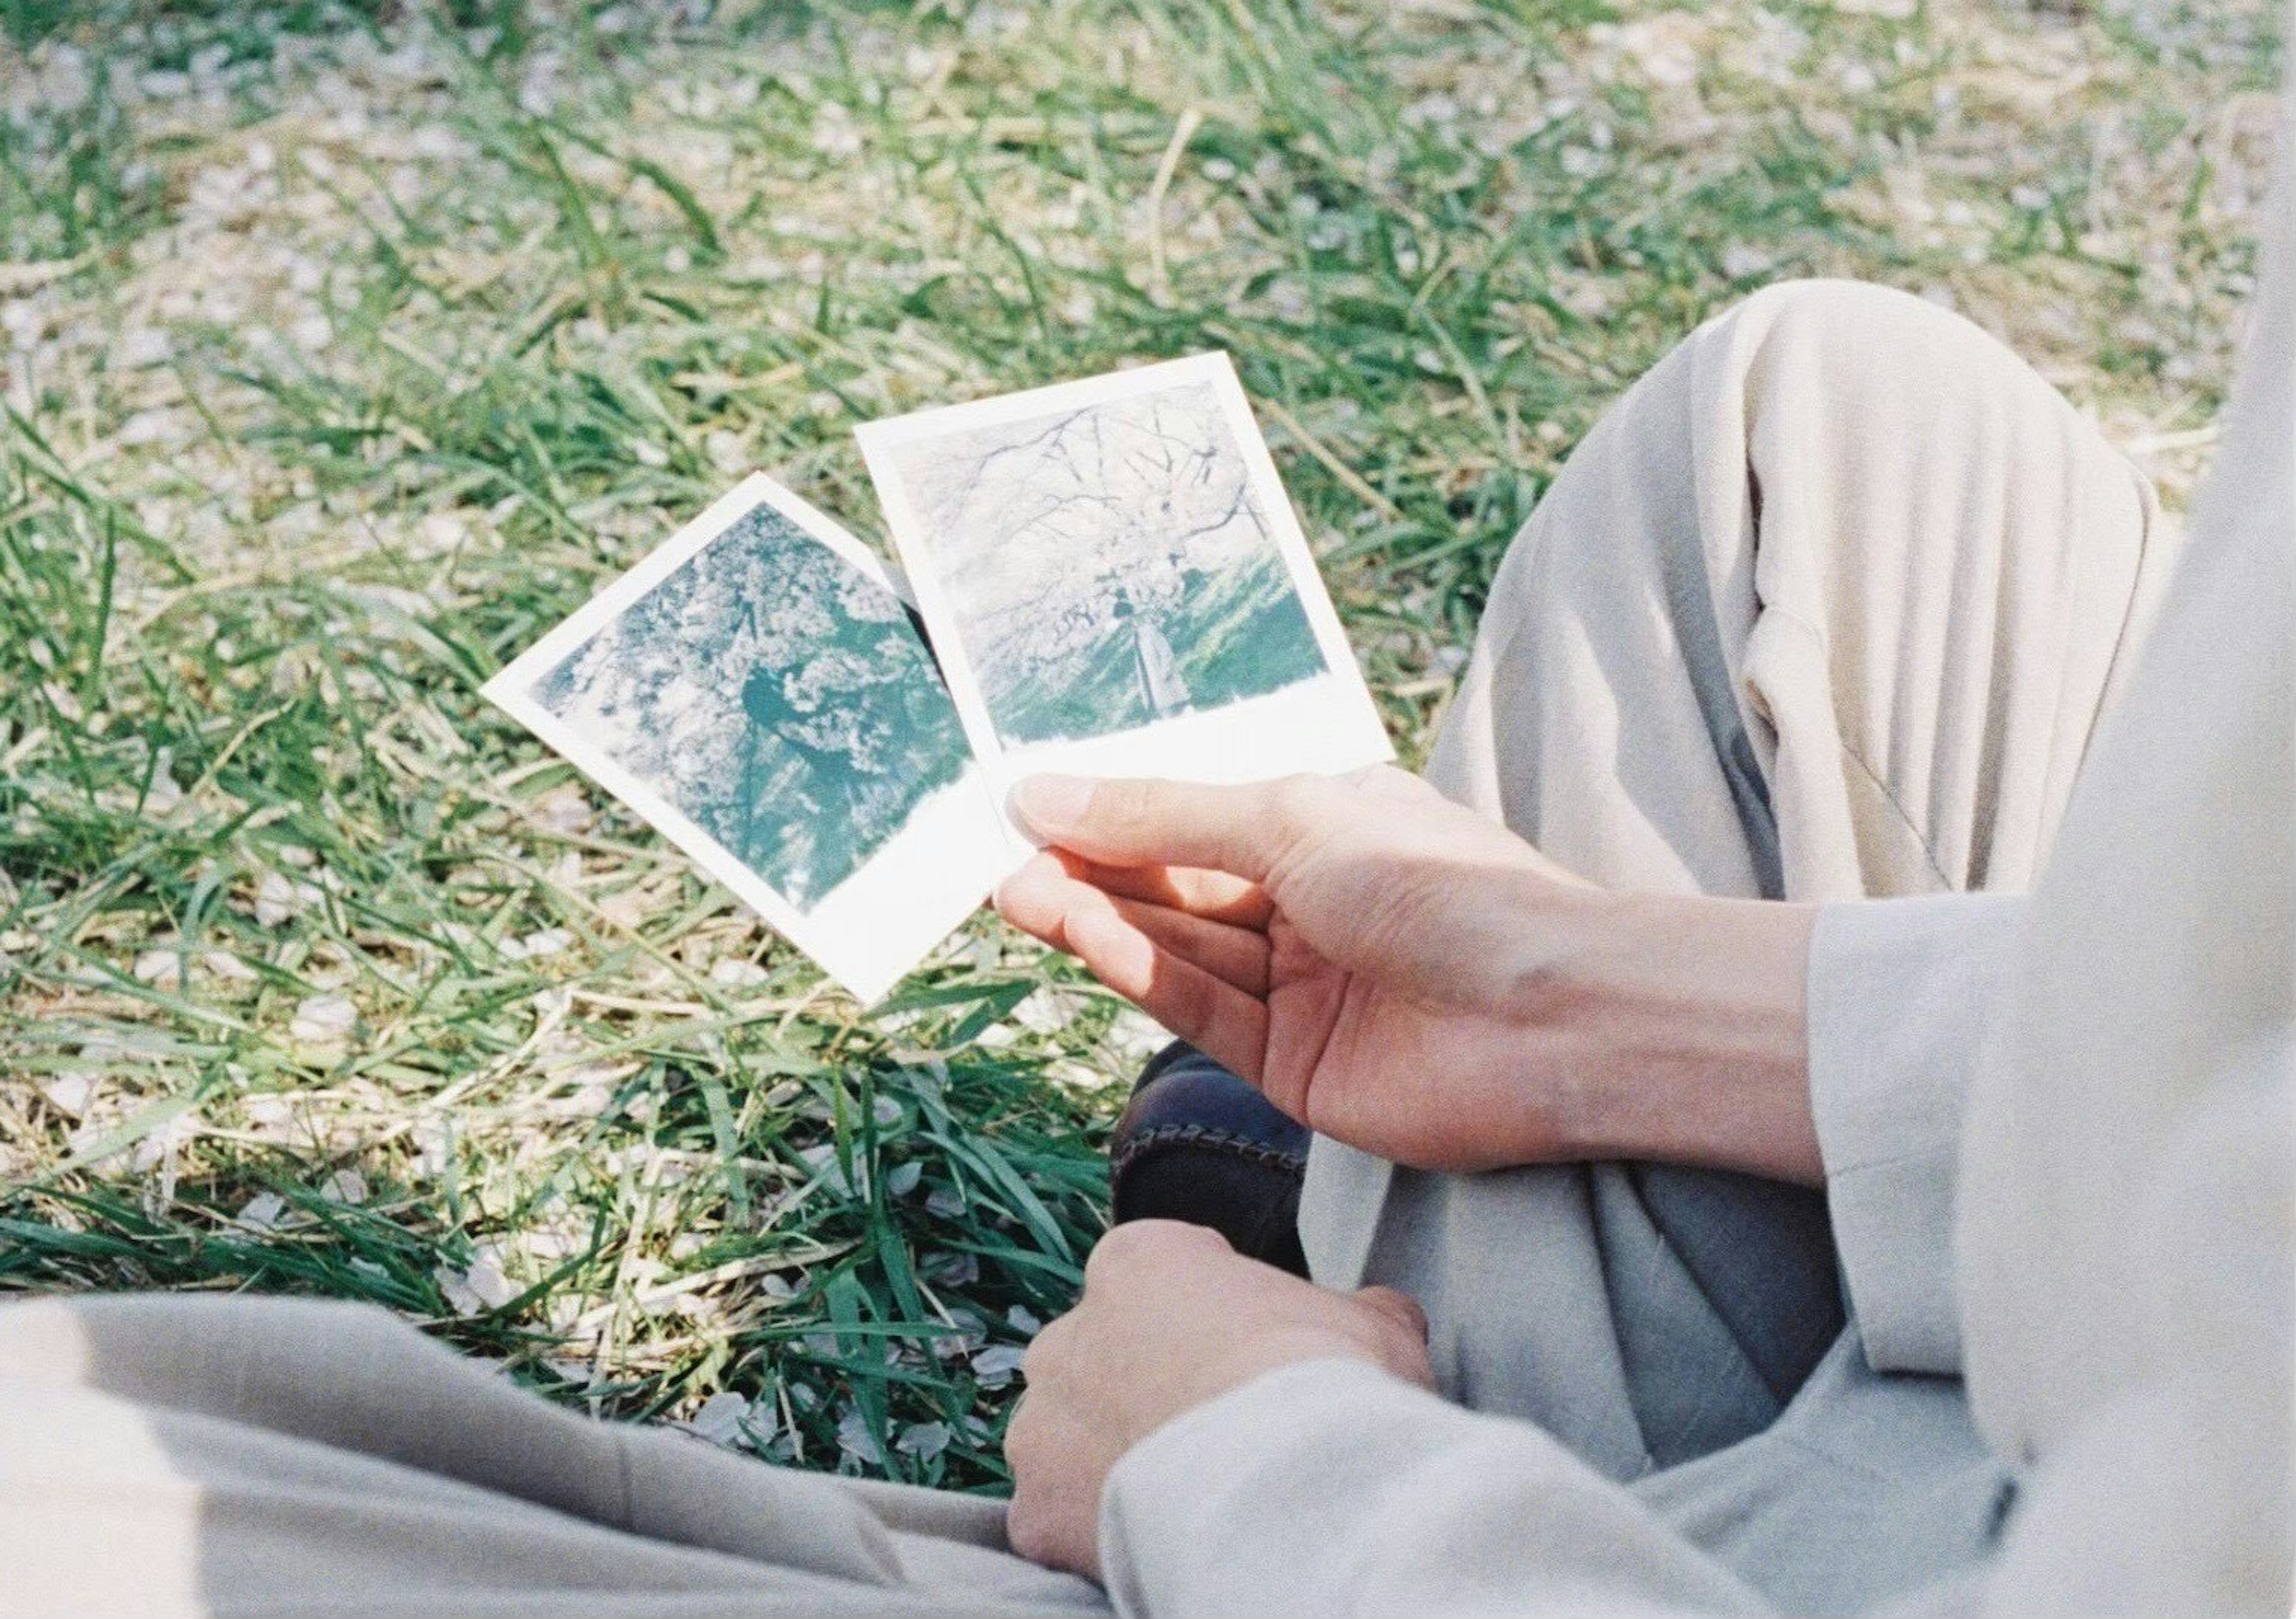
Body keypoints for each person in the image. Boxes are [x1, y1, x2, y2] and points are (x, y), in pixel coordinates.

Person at [3, 132, 2286, 1619]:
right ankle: (1357, 1261)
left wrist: (1269, 1465)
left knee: (57, 1497)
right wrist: (1639, 999)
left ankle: (1290, 1339)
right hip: (2080, 1397)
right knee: (1834, 419)